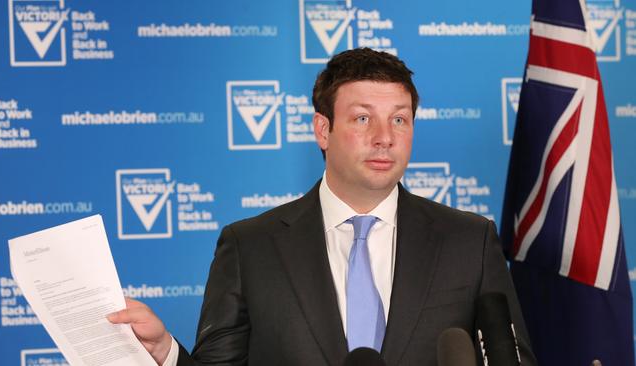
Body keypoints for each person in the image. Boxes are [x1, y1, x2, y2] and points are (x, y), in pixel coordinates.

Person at [108, 47, 537, 366]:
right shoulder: (251, 246)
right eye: (363, 118)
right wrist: (164, 353)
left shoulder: (469, 240)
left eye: (400, 119)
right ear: (323, 129)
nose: (385, 136)